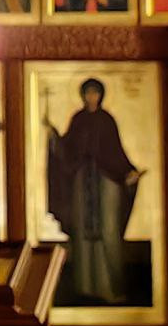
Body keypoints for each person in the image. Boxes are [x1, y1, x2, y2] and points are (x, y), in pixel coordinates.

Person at [45, 78, 143, 305]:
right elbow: (68, 149)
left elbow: (116, 152)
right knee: (82, 232)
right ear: (83, 95)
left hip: (107, 180)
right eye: (88, 93)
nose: (91, 97)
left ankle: (113, 288)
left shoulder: (107, 121)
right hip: (82, 181)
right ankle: (85, 288)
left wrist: (128, 172)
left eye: (95, 93)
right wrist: (54, 138)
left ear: (101, 95)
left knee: (109, 230)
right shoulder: (78, 120)